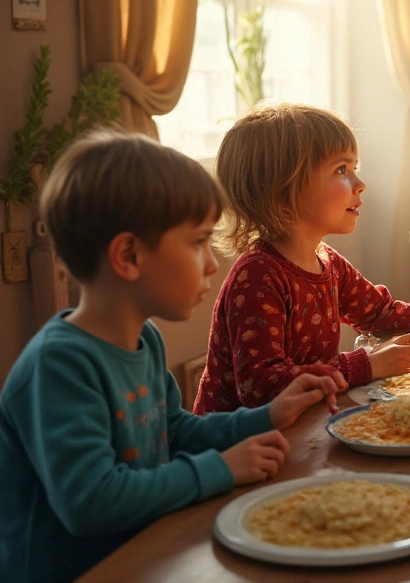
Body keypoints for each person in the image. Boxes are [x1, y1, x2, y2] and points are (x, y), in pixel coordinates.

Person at [0, 132, 342, 583]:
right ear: (128, 255)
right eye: (197, 242)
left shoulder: (144, 338)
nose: (212, 264)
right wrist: (219, 469)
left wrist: (267, 415)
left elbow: (174, 431)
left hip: (145, 551)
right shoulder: (59, 366)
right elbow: (91, 502)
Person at [194, 104, 410, 414]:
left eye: (354, 167)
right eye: (341, 170)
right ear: (283, 192)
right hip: (240, 449)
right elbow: (261, 387)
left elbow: (377, 311)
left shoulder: (326, 260)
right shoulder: (257, 277)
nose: (360, 183)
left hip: (302, 425)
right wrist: (367, 365)